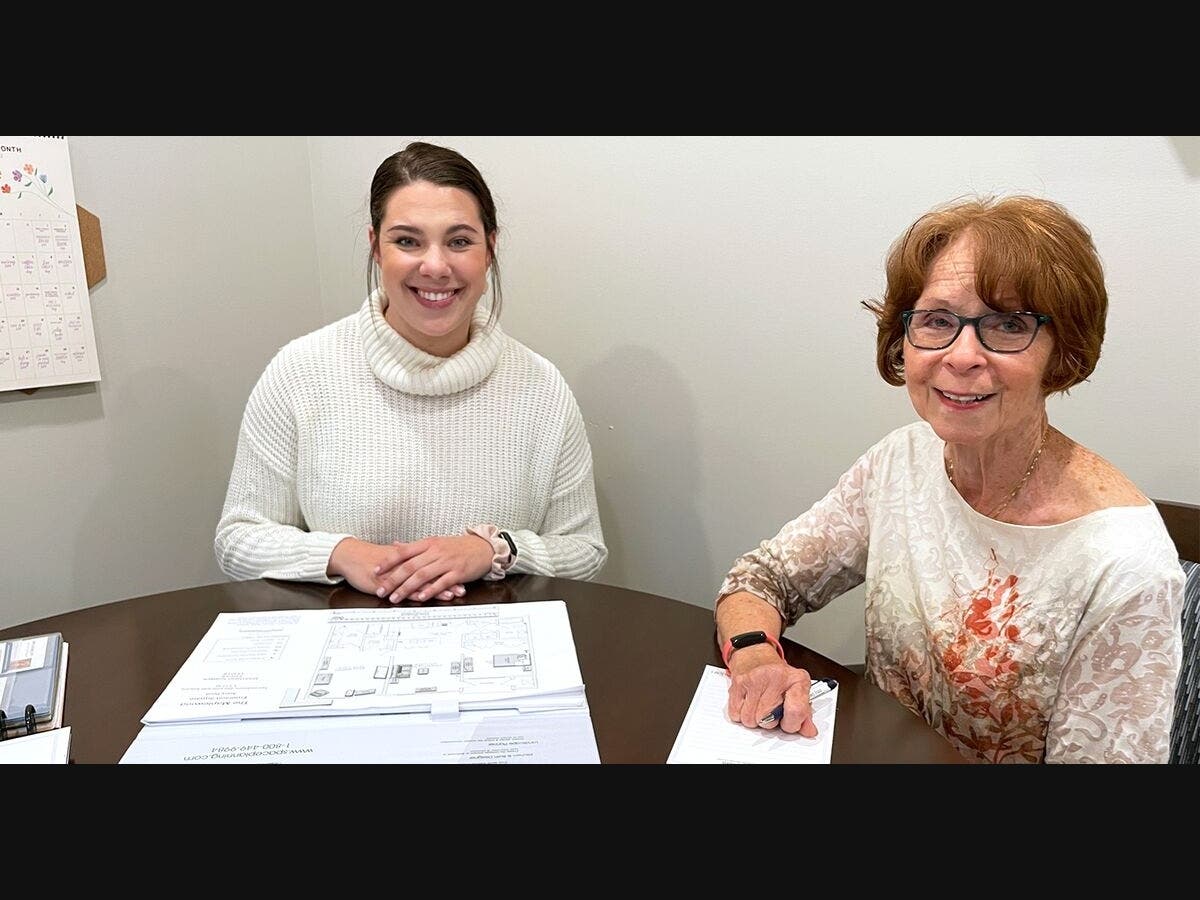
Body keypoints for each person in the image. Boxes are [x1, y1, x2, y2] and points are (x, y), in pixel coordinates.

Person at [715, 195, 1183, 763]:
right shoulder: (903, 461)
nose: (961, 357)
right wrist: (755, 655)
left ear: (1062, 352)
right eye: (937, 320)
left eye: (1008, 325)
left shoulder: (1125, 564)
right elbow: (763, 578)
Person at [215, 142, 606, 601]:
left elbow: (584, 551)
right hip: (347, 635)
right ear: (375, 248)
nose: (435, 266)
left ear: (490, 250)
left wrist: (494, 549)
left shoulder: (541, 387)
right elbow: (238, 540)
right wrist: (344, 554)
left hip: (495, 636)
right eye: (407, 241)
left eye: (459, 241)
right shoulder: (299, 371)